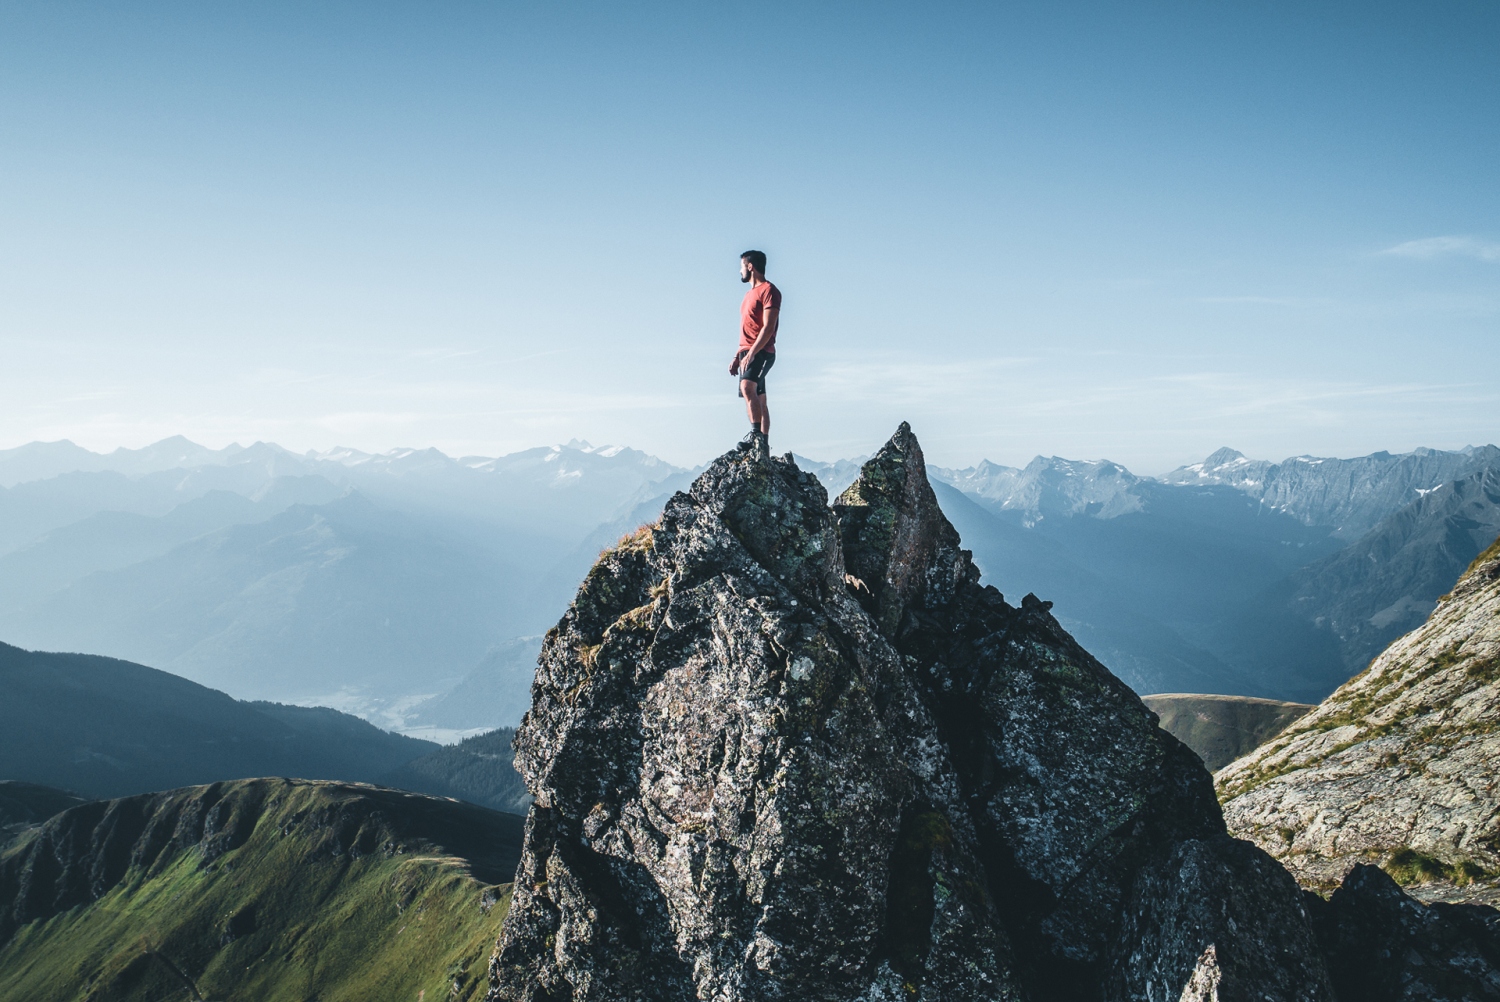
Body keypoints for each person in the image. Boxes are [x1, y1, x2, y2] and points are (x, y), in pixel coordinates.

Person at [730, 249, 780, 459]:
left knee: (747, 387)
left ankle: (756, 437)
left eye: (742, 266)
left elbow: (768, 327)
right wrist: (737, 355)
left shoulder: (770, 290)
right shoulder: (748, 295)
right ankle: (763, 447)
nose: (740, 271)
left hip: (761, 350)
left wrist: (752, 352)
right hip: (747, 352)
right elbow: (747, 328)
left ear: (750, 266)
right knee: (759, 397)